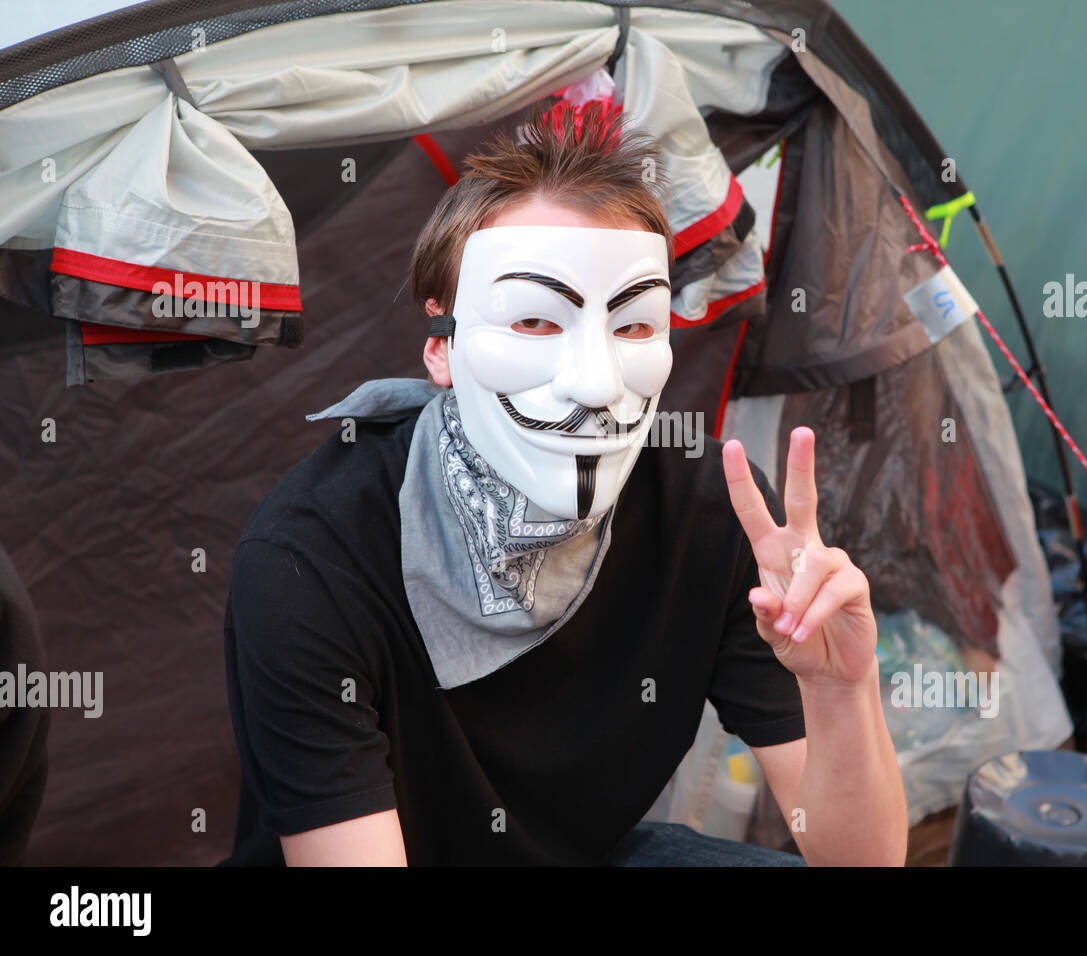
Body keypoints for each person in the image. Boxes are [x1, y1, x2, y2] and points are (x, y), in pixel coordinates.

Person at [222, 97, 907, 866]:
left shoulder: (714, 516)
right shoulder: (311, 560)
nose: (593, 382)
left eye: (635, 326)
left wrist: (842, 690)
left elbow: (861, 862)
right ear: (441, 348)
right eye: (537, 322)